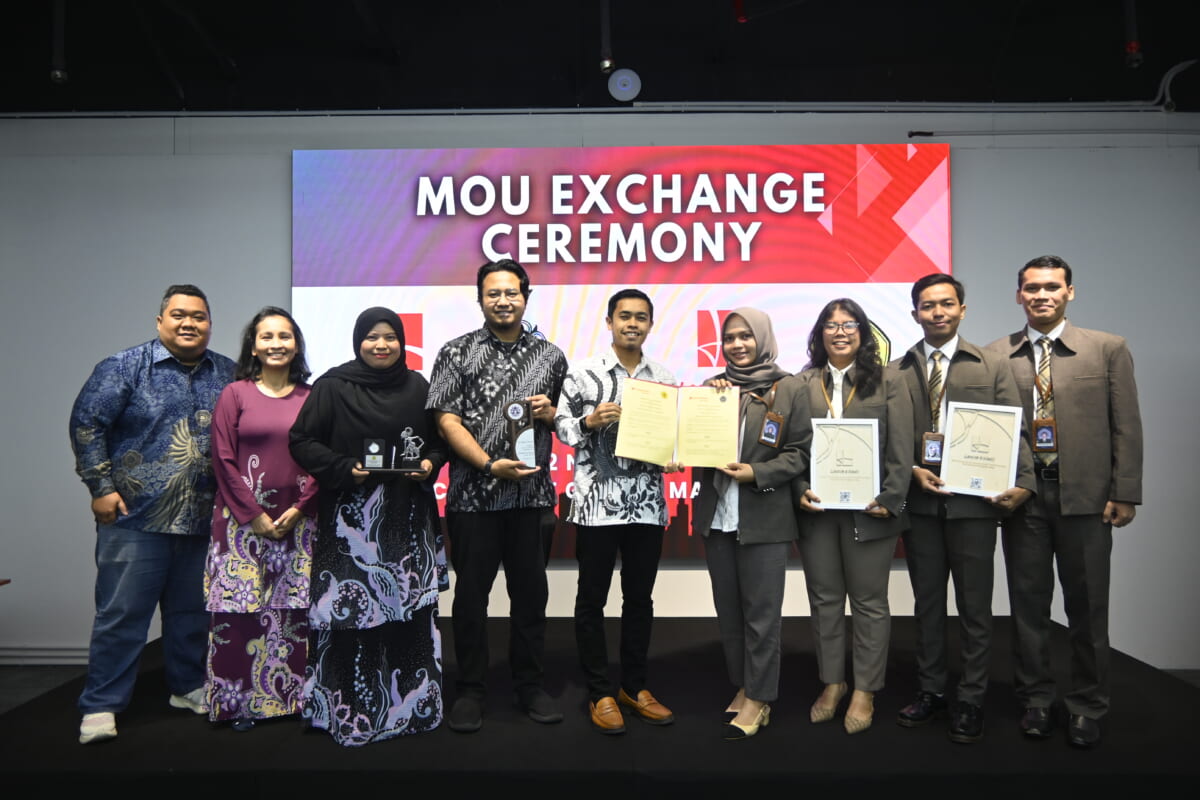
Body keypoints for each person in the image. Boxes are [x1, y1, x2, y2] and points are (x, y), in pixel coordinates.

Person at [70, 284, 235, 745]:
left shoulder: (228, 373)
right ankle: (101, 705)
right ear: (160, 321)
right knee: (122, 615)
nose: (189, 323)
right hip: (133, 518)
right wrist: (100, 488)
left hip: (203, 521)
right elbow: (87, 424)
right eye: (179, 315)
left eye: (199, 316)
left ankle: (186, 687)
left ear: (209, 323)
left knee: (192, 614)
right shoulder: (123, 368)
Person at [988, 255, 1142, 748]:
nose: (1041, 295)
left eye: (1052, 287)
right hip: (1023, 500)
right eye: (1031, 287)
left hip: (1088, 500)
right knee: (1028, 608)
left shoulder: (1107, 349)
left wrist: (1125, 491)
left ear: (1070, 292)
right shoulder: (996, 355)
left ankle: (1086, 706)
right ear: (1018, 295)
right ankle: (1036, 700)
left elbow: (1126, 426)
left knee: (1088, 609)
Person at [288, 307, 447, 746]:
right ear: (358, 341)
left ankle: (411, 711)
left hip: (406, 518)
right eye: (372, 337)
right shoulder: (333, 386)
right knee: (351, 616)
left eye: (390, 337)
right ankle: (350, 713)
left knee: (407, 613)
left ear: (401, 342)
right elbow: (301, 440)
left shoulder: (418, 386)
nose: (382, 345)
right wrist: (342, 467)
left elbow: (437, 440)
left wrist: (431, 462)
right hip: (350, 520)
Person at [426, 259, 569, 733]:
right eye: (493, 293)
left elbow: (568, 424)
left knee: (531, 597)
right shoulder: (455, 352)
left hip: (531, 499)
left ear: (525, 297)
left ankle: (529, 685)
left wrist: (550, 413)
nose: (503, 300)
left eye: (512, 292)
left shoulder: (551, 356)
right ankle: (471, 689)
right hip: (473, 499)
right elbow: (446, 421)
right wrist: (488, 464)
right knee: (470, 599)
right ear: (480, 298)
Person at [893, 274, 1035, 744]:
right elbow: (887, 439)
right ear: (915, 312)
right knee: (927, 606)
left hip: (975, 507)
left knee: (976, 609)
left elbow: (1015, 433)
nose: (937, 312)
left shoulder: (992, 366)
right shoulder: (897, 370)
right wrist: (912, 470)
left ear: (962, 309)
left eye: (947, 304)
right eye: (928, 305)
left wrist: (1025, 483)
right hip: (920, 506)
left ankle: (970, 699)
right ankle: (932, 691)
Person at [553, 288, 680, 735]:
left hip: (646, 505)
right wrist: (588, 422)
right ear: (609, 322)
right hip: (596, 506)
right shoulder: (584, 373)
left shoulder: (663, 377)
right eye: (624, 316)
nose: (632, 324)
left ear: (650, 324)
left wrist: (675, 455)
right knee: (591, 600)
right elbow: (562, 428)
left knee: (639, 600)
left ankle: (635, 687)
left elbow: (674, 438)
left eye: (641, 317)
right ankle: (599, 691)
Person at [795, 298, 914, 735]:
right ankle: (832, 682)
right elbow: (790, 449)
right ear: (819, 333)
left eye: (848, 324)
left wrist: (891, 497)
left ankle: (865, 688)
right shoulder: (801, 383)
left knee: (868, 602)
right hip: (819, 511)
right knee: (825, 600)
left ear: (863, 332)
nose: (839, 331)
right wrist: (796, 490)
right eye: (830, 324)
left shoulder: (889, 381)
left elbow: (902, 449)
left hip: (872, 511)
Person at [692, 307, 810, 740]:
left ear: (763, 338)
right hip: (718, 517)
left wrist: (757, 474)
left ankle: (761, 698)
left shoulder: (790, 387)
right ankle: (744, 684)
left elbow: (799, 452)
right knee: (729, 612)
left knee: (762, 614)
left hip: (764, 516)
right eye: (729, 338)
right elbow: (694, 444)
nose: (738, 345)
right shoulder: (711, 389)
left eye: (746, 336)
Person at [203, 307, 318, 732]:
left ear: (296, 344)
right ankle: (236, 705)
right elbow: (222, 457)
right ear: (254, 345)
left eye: (284, 336)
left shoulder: (311, 397)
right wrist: (252, 515)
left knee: (292, 612)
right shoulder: (235, 394)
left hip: (298, 523)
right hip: (239, 525)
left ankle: (288, 701)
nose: (276, 344)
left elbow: (322, 460)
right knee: (237, 611)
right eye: (266, 337)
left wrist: (300, 508)